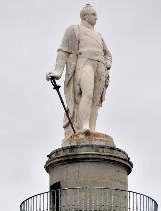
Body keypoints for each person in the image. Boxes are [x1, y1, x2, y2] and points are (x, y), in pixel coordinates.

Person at [47, 4, 112, 137]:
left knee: (95, 99)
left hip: (100, 67)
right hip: (84, 63)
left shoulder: (99, 35)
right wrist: (58, 72)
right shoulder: (74, 30)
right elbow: (63, 51)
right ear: (85, 16)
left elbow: (108, 54)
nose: (96, 17)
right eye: (93, 14)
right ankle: (84, 126)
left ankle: (91, 129)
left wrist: (107, 64)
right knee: (87, 94)